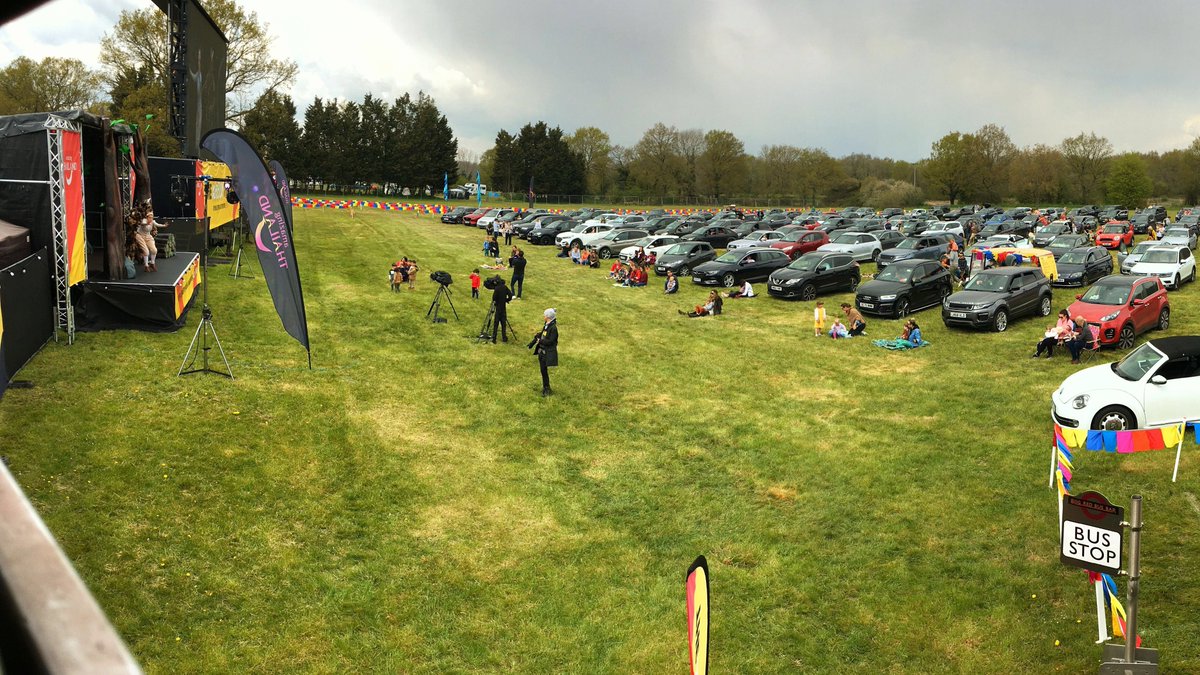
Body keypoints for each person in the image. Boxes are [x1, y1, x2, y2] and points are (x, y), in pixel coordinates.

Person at [530, 307, 558, 396]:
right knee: (542, 370)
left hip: (547, 352)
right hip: (541, 352)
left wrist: (540, 341)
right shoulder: (547, 324)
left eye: (545, 315)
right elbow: (543, 333)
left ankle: (547, 388)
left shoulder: (553, 328)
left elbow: (551, 341)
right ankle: (545, 386)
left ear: (548, 317)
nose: (543, 317)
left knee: (544, 370)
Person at [133, 206, 161, 272]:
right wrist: (147, 223)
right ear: (147, 217)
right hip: (140, 236)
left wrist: (164, 225)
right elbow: (142, 223)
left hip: (148, 236)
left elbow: (158, 224)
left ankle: (152, 263)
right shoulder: (144, 220)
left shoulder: (152, 221)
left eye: (152, 217)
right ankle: (146, 265)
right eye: (150, 217)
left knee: (154, 250)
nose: (151, 218)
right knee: (146, 252)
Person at [491, 276, 513, 343]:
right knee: (503, 324)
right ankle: (504, 338)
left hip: (498, 308)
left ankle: (494, 338)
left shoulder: (497, 288)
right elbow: (510, 295)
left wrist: (496, 301)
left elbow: (494, 298)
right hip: (503, 308)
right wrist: (506, 300)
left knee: (496, 324)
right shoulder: (505, 287)